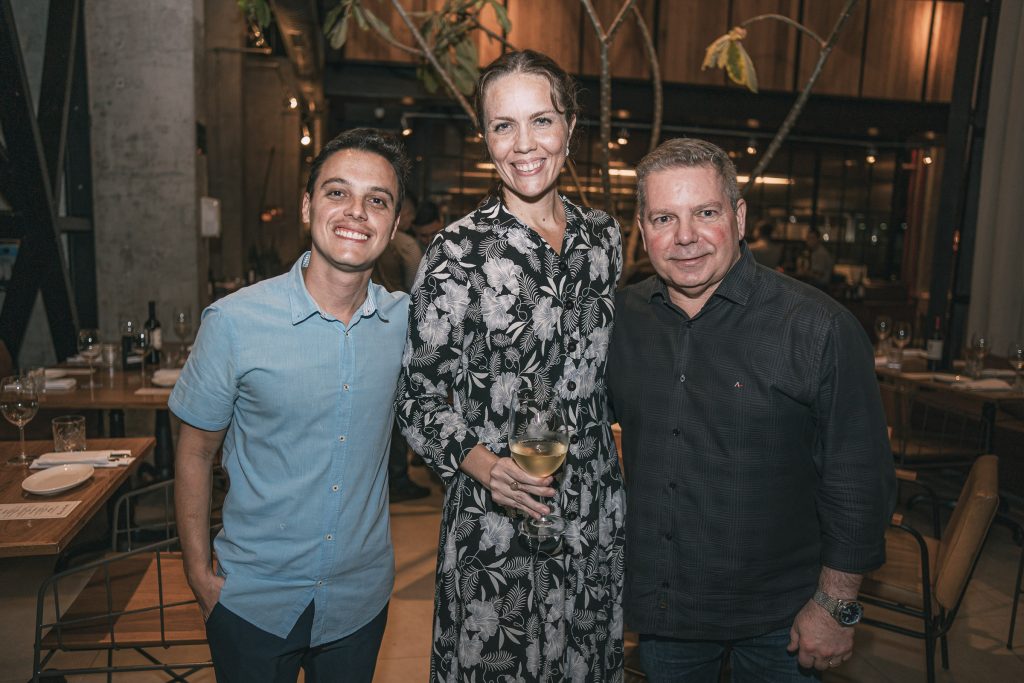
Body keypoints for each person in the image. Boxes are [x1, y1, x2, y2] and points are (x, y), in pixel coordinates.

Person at [607, 137, 894, 682]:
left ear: (738, 217)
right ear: (642, 231)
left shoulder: (817, 327)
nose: (685, 236)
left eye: (706, 213)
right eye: (664, 217)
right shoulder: (621, 321)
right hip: (668, 613)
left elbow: (858, 479)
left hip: (783, 620)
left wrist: (836, 607)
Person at [396, 49, 625, 681]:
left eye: (541, 121)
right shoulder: (457, 251)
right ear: (486, 138)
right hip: (494, 526)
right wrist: (483, 466)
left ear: (570, 128)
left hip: (589, 519)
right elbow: (417, 398)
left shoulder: (604, 240)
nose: (523, 144)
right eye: (503, 125)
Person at [171, 128, 411, 683]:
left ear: (394, 225)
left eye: (378, 200)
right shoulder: (233, 322)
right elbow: (193, 452)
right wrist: (198, 576)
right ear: (307, 206)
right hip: (252, 599)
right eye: (337, 192)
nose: (357, 212)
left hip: (359, 601)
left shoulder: (409, 324)